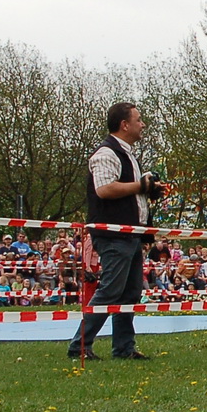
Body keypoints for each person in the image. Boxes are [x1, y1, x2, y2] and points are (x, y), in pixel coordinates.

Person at [67, 101, 164, 362]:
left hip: (129, 234)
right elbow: (104, 189)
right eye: (138, 119)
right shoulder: (106, 153)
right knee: (111, 290)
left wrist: (148, 190)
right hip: (113, 234)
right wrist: (139, 186)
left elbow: (131, 191)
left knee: (131, 292)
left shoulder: (127, 153)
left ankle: (123, 348)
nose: (142, 124)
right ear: (124, 124)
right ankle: (79, 346)